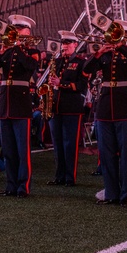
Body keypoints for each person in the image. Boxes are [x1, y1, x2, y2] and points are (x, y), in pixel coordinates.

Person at [83, 20, 127, 206]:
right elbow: (86, 70)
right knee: (107, 152)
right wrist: (99, 53)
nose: (112, 37)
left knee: (125, 153)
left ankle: (125, 194)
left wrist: (122, 47)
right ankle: (111, 194)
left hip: (125, 106)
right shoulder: (104, 54)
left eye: (116, 33)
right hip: (105, 106)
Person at [0, 14, 40, 198]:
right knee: (7, 150)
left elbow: (29, 66)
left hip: (21, 104)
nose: (14, 32)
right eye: (13, 29)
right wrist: (2, 51)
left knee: (22, 150)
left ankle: (23, 187)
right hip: (5, 104)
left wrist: (16, 48)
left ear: (27, 33)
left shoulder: (32, 52)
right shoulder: (6, 51)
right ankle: (10, 186)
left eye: (18, 30)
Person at [46, 30, 88, 187]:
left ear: (75, 45)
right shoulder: (56, 62)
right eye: (63, 43)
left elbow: (82, 86)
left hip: (72, 108)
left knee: (69, 144)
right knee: (57, 143)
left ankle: (70, 177)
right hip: (56, 107)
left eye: (68, 43)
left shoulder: (81, 62)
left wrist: (61, 84)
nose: (64, 46)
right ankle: (59, 176)